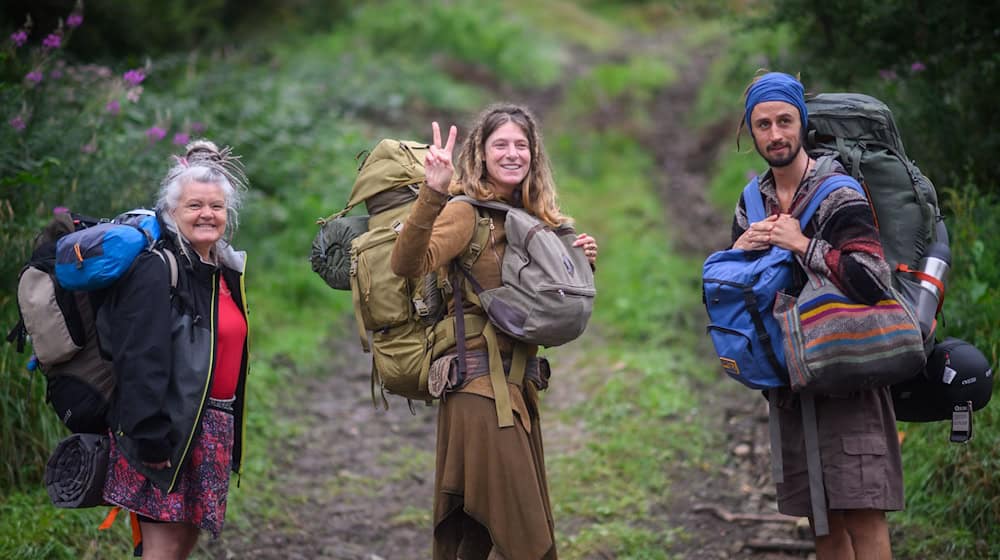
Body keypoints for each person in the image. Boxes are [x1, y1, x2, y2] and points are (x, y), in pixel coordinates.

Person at [391, 103, 598, 560]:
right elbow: (406, 264)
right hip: (478, 390)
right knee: (529, 539)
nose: (512, 153)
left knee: (474, 535)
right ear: (480, 154)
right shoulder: (465, 213)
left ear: (533, 154)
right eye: (500, 144)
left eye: (521, 145)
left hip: (517, 386)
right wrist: (433, 192)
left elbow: (545, 307)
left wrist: (576, 265)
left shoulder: (532, 220)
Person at [731, 71, 903, 558]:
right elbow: (737, 297)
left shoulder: (838, 192)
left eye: (784, 121)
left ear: (802, 123)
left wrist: (802, 244)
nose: (775, 135)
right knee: (822, 521)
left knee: (864, 513)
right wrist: (737, 254)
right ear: (750, 131)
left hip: (850, 372)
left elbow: (872, 277)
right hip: (792, 381)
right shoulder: (751, 204)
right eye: (762, 125)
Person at [100, 140, 250, 559]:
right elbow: (138, 356)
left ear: (228, 214)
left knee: (181, 547)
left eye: (216, 207)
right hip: (167, 428)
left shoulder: (218, 269)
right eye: (194, 206)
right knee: (163, 552)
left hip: (210, 427)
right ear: (171, 212)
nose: (207, 214)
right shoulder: (157, 268)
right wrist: (149, 436)